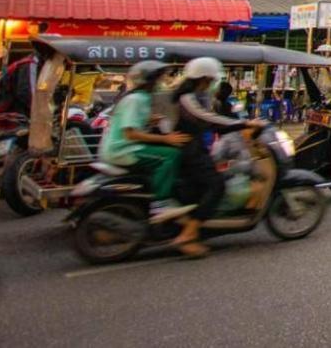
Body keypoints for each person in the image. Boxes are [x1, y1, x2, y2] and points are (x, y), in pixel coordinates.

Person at [171, 57, 260, 257]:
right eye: (211, 80)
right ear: (203, 78)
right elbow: (208, 119)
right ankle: (188, 234)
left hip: (194, 148)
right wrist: (244, 124)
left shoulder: (196, 96)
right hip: (190, 151)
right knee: (216, 185)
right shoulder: (187, 98)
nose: (212, 84)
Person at [99, 60, 190, 212]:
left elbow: (134, 121)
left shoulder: (141, 97)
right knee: (171, 155)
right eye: (158, 79)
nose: (160, 82)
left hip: (125, 147)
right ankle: (160, 202)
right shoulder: (136, 99)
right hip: (123, 150)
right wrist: (166, 138)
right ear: (149, 80)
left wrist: (150, 119)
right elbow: (130, 133)